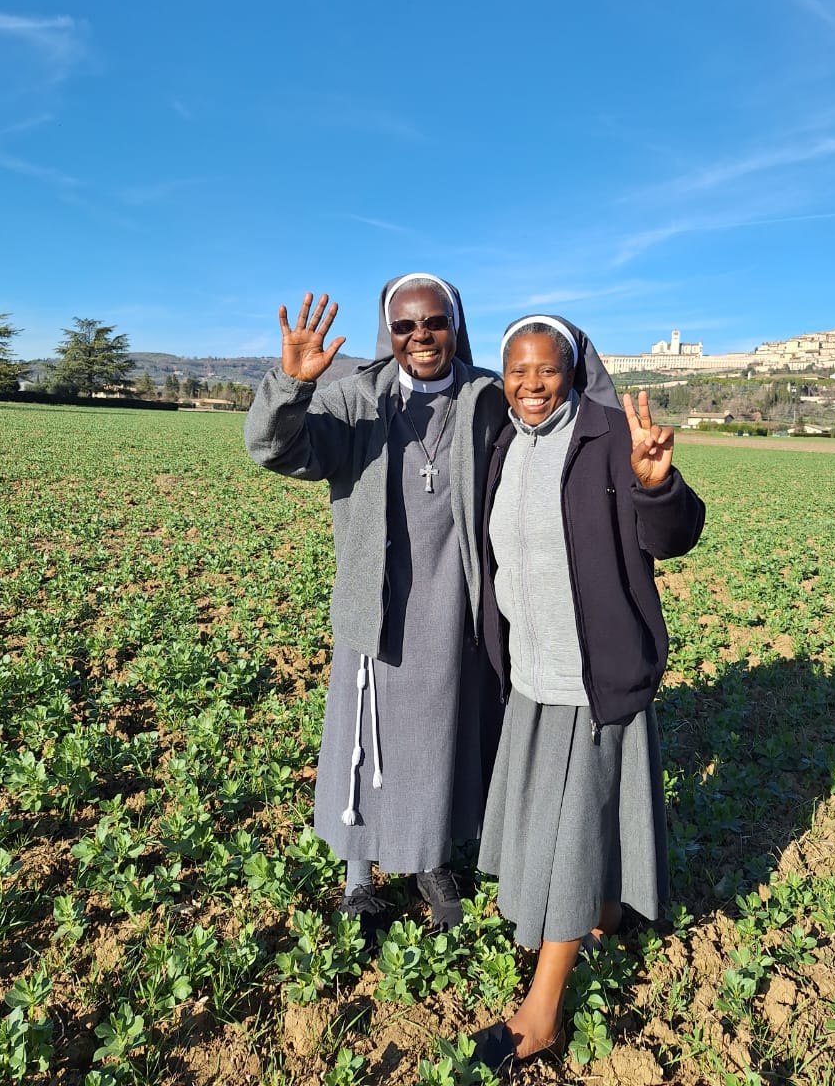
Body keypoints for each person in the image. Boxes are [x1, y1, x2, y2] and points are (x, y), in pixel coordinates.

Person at [471, 315, 705, 1071]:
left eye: (546, 369)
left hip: (591, 675)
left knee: (567, 838)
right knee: (573, 817)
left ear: (571, 370)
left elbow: (672, 536)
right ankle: (606, 912)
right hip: (531, 675)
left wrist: (656, 485)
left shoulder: (607, 436)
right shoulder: (504, 444)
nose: (531, 384)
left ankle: (540, 1013)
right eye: (517, 370)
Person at [244, 277, 507, 936]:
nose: (421, 336)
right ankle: (359, 879)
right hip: (377, 600)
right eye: (405, 326)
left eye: (434, 322)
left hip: (454, 603)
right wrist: (290, 384)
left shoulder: (487, 399)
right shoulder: (356, 400)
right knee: (365, 732)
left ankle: (432, 859)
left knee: (438, 733)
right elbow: (274, 449)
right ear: (389, 334)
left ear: (455, 326)